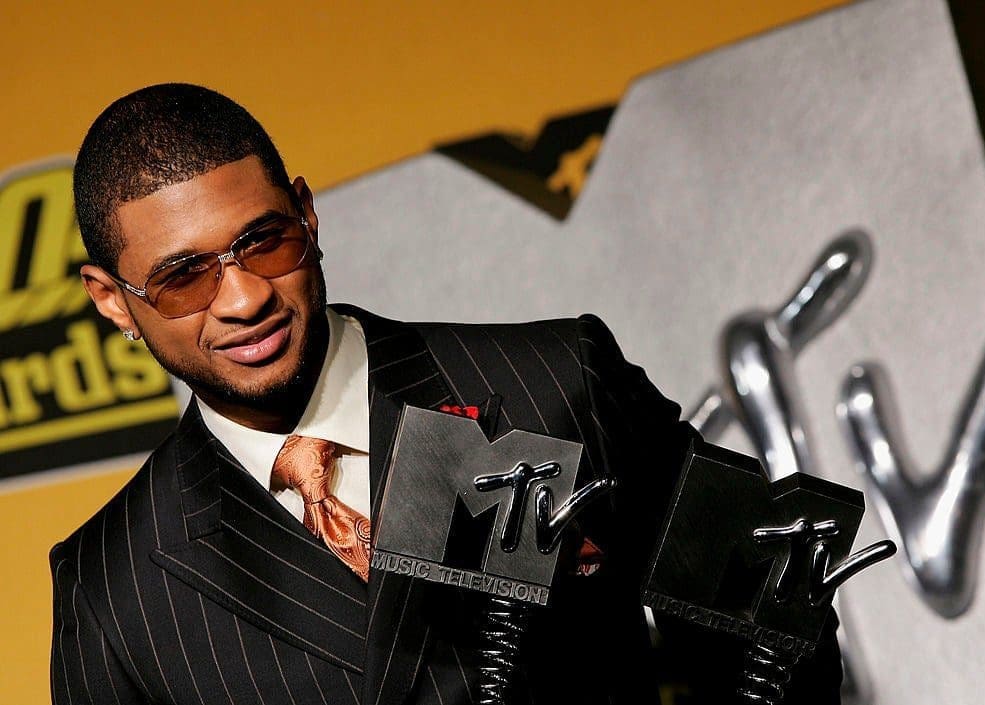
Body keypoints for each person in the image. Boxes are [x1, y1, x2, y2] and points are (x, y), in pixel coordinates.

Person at [50, 83, 841, 705]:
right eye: (184, 277)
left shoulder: (556, 379)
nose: (244, 297)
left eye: (264, 241)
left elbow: (774, 621)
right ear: (113, 300)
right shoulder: (113, 589)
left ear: (307, 213)